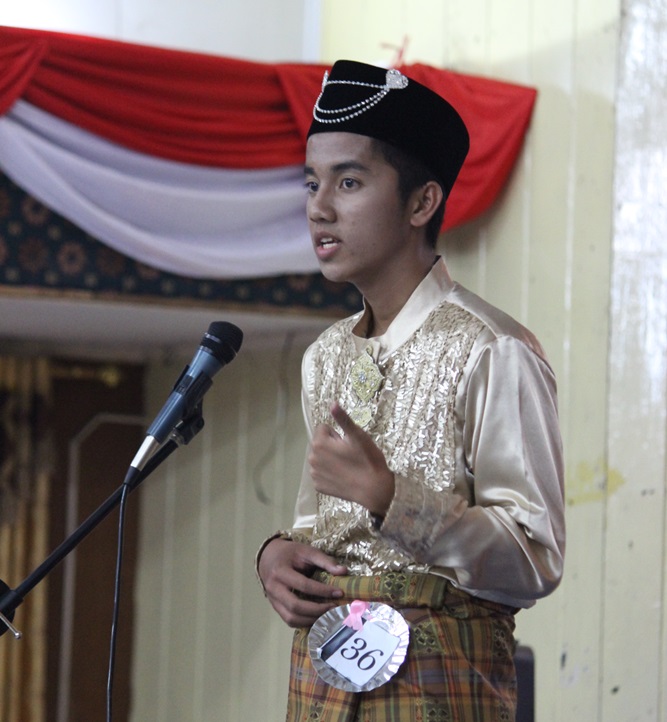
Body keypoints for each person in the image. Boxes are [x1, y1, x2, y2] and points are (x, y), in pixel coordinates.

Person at [257, 59, 565, 722]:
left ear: (421, 203)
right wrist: (277, 556)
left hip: (439, 679)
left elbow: (534, 558)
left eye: (349, 181)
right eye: (312, 182)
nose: (319, 207)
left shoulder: (493, 349)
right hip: (322, 680)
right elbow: (319, 529)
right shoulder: (325, 356)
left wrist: (393, 500)